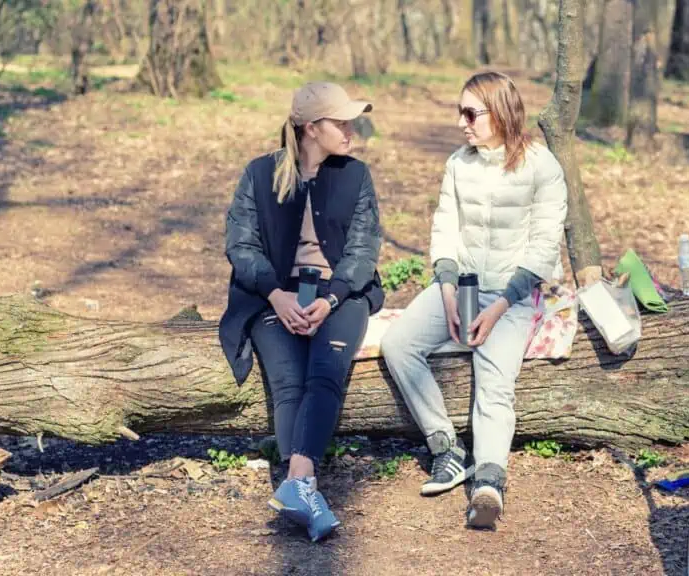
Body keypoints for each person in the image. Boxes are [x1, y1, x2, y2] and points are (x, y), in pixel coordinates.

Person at [380, 71, 568, 530]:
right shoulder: (457, 164)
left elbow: (544, 247)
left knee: (494, 374)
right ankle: (447, 448)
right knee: (398, 344)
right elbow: (444, 230)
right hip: (459, 286)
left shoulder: (543, 167)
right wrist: (445, 291)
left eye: (470, 113)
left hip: (512, 293)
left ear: (500, 112)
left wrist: (502, 304)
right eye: (458, 112)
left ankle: (489, 482)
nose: (461, 123)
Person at [217, 81, 384, 542]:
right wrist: (275, 295)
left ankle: (299, 481)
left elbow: (363, 251)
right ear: (312, 129)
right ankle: (303, 487)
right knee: (287, 380)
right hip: (273, 296)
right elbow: (242, 245)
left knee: (326, 371)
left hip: (342, 295)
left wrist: (330, 298)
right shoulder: (259, 174)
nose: (352, 129)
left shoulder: (356, 176)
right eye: (342, 122)